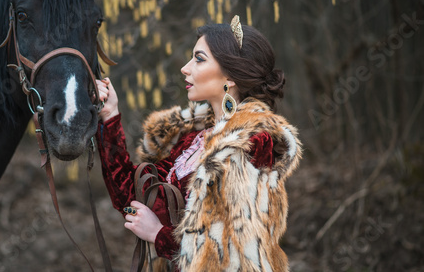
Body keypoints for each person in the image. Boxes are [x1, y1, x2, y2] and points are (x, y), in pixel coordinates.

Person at [95, 16, 302, 272]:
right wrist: (110, 116)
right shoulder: (193, 139)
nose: (185, 67)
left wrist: (159, 236)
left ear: (231, 75)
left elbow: (232, 255)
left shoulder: (252, 144)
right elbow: (132, 197)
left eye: (199, 59)